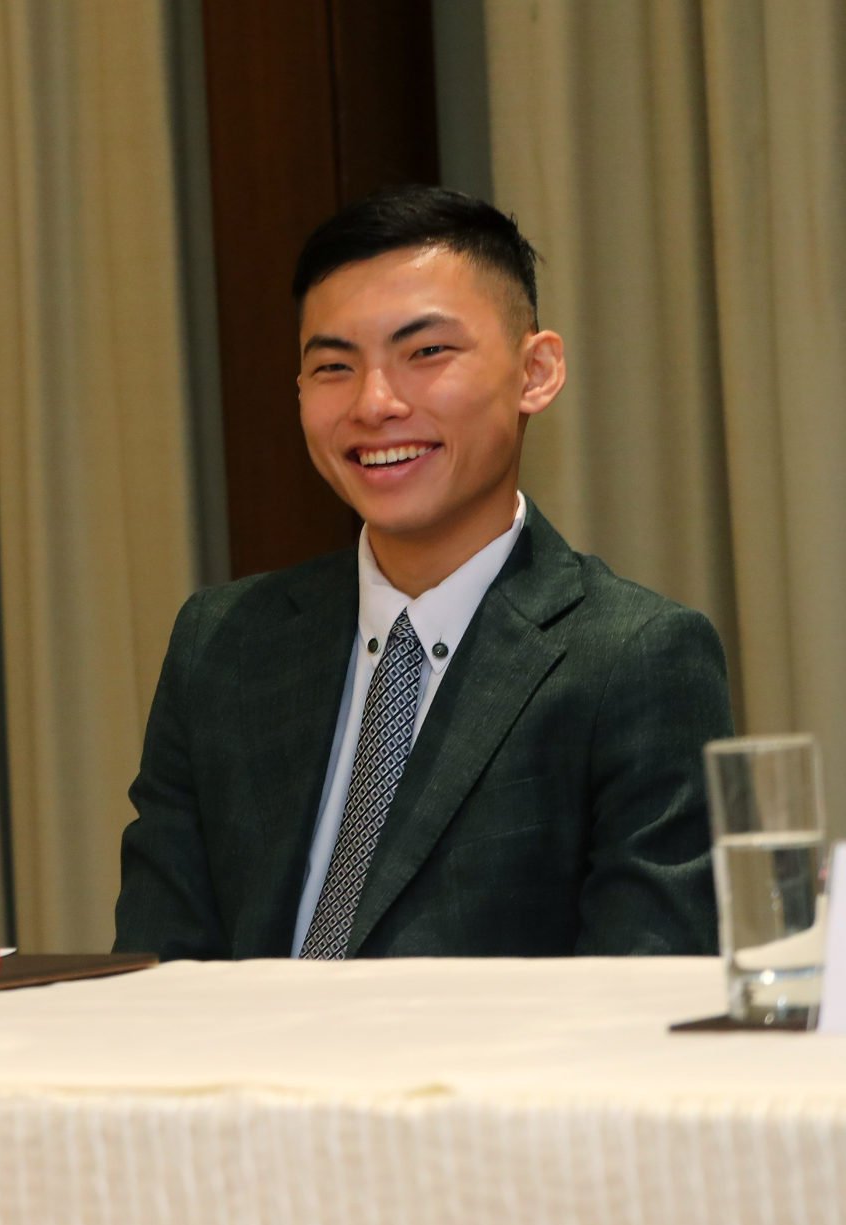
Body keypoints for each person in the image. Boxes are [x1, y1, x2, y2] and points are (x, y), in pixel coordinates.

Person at [114, 185, 732, 960]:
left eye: (425, 353)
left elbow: (644, 991)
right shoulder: (222, 645)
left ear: (535, 371)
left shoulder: (635, 658)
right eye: (333, 366)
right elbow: (156, 966)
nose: (374, 404)